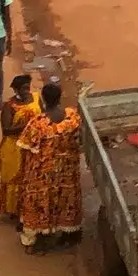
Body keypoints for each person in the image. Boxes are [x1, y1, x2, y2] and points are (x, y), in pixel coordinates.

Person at [16, 82, 84, 250]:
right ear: (59, 97)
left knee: (39, 202)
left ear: (43, 100)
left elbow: (25, 150)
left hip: (42, 174)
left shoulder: (37, 124)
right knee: (66, 200)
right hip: (66, 170)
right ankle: (69, 234)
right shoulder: (72, 117)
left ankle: (38, 237)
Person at [0, 74, 37, 222]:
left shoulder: (37, 99)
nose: (27, 91)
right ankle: (14, 209)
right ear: (16, 89)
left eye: (28, 87)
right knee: (14, 178)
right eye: (23, 88)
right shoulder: (9, 106)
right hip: (14, 147)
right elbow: (6, 129)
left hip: (33, 145)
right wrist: (30, 125)